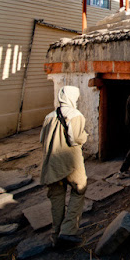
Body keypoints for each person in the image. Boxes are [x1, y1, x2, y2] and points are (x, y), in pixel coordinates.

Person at [40, 86, 88, 246]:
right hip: (71, 162)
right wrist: (85, 136)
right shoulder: (75, 115)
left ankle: (56, 234)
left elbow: (42, 140)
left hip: (52, 163)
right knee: (79, 190)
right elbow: (75, 139)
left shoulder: (49, 117)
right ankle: (68, 231)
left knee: (56, 197)